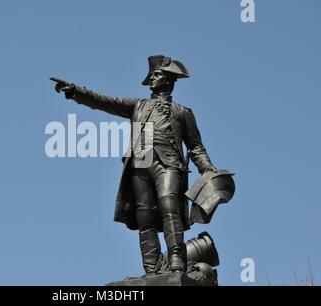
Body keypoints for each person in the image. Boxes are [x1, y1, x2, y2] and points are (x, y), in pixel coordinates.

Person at [51, 55, 217, 275]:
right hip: (141, 161)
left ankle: (177, 263)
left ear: (169, 79)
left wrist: (207, 168)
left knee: (170, 208)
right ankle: (152, 268)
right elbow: (105, 101)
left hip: (169, 163)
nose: (152, 79)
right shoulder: (138, 105)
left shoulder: (183, 112)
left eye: (156, 75)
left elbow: (196, 147)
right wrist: (76, 92)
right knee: (145, 216)